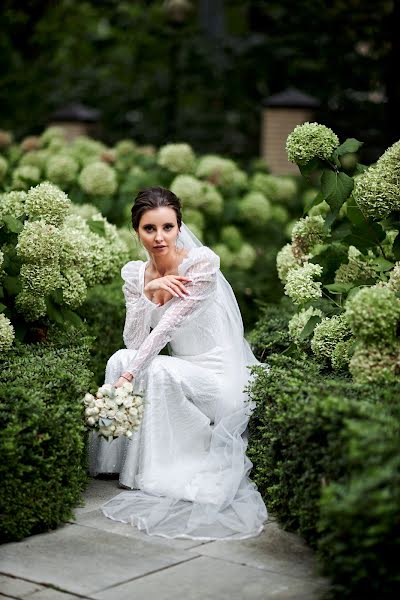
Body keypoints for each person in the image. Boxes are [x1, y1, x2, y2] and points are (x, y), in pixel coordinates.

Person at [88, 186, 268, 540]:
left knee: (150, 367)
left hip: (221, 380)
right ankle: (112, 463)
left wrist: (129, 375)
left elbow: (167, 330)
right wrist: (148, 292)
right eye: (149, 229)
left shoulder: (201, 264)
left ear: (179, 226)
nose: (159, 238)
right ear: (137, 231)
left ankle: (151, 469)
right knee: (120, 357)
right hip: (186, 372)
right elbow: (135, 341)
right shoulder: (135, 273)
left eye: (167, 227)